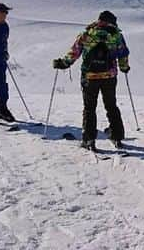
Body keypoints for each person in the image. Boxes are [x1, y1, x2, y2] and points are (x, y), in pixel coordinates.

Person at [52, 10, 130, 150]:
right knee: (111, 106)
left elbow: (74, 53)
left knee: (89, 108)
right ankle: (117, 136)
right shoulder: (116, 36)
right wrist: (124, 67)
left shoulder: (86, 35)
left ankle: (89, 140)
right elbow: (123, 53)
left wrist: (63, 63)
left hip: (89, 76)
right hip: (109, 76)